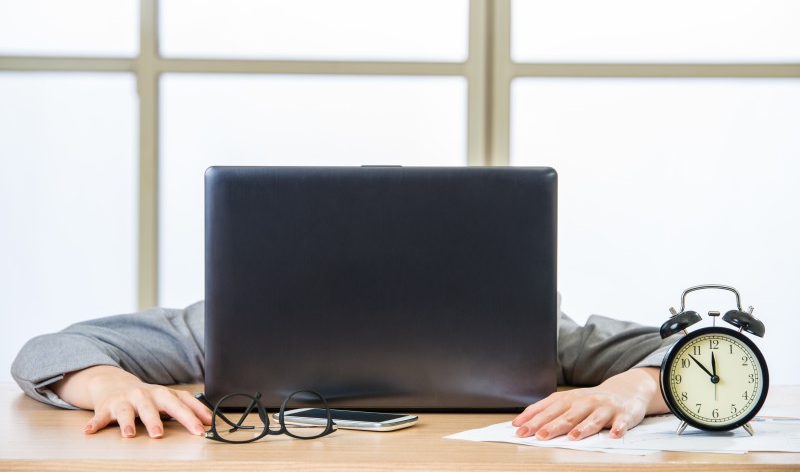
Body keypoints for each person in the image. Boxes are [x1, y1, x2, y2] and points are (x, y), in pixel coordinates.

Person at [11, 299, 675, 441]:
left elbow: (688, 350)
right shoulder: (236, 317)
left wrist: (634, 386)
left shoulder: (517, 320)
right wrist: (110, 383)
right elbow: (46, 350)